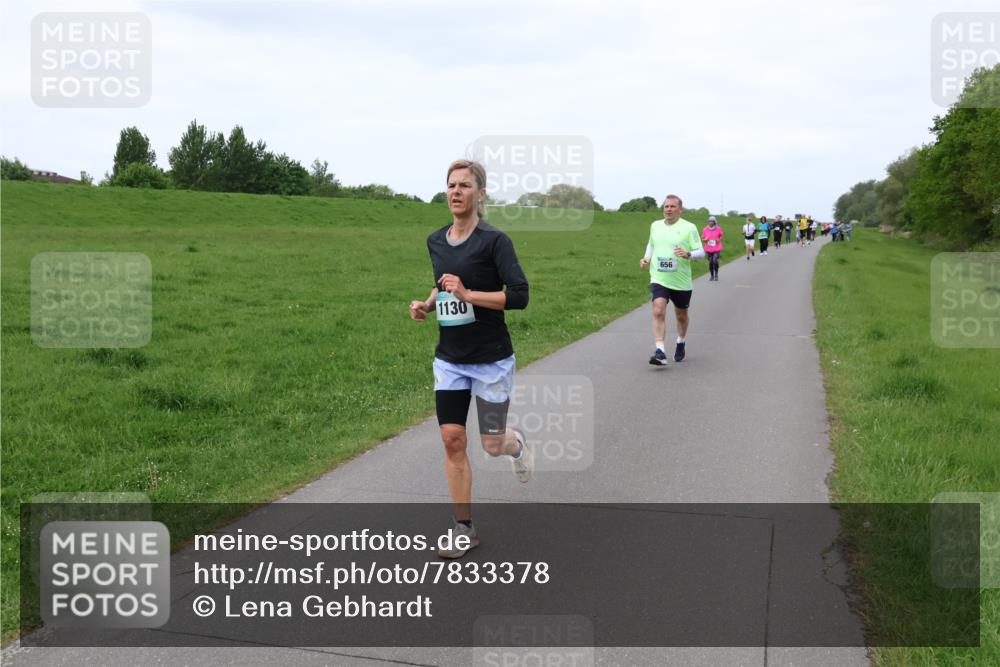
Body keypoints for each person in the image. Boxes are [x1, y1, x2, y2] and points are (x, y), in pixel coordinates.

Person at [409, 159, 532, 559]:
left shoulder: (495, 241)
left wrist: (468, 295)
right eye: (451, 185)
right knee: (452, 438)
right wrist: (428, 304)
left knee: (492, 444)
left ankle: (516, 445)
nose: (456, 191)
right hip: (450, 360)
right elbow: (442, 283)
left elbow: (519, 296)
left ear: (480, 194)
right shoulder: (436, 240)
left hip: (491, 359)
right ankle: (464, 527)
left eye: (464, 185)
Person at [640, 194, 705, 364]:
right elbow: (651, 244)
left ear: (680, 210)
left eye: (672, 206)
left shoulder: (689, 227)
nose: (668, 209)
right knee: (658, 310)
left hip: (681, 281)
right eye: (666, 206)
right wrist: (646, 258)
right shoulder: (655, 225)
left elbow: (701, 251)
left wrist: (688, 254)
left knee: (681, 315)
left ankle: (681, 341)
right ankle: (660, 351)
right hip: (659, 276)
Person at [701, 215, 724, 281]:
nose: (710, 222)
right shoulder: (705, 229)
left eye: (712, 221)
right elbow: (703, 238)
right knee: (711, 262)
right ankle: (712, 276)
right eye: (709, 221)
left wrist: (718, 239)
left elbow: (721, 236)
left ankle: (716, 275)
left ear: (714, 222)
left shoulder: (718, 228)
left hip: (717, 248)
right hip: (708, 248)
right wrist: (705, 240)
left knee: (715, 260)